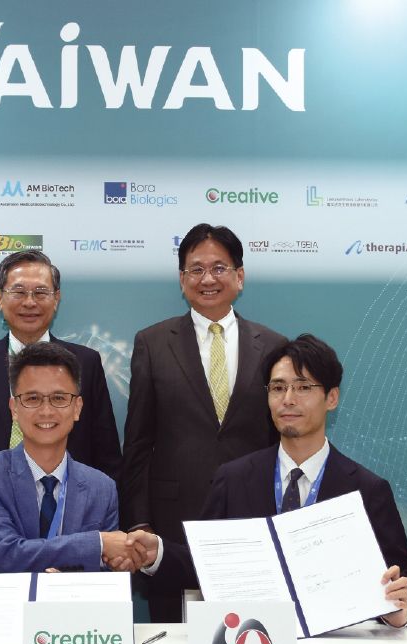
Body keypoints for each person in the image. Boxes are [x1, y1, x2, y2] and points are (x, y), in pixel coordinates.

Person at [117, 334, 407, 627]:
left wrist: (398, 611)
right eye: (278, 388)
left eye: (303, 387)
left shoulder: (367, 489)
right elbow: (204, 565)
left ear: (331, 398)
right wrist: (157, 552)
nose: (288, 399)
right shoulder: (233, 479)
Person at [120, 223, 286, 621]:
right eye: (196, 269)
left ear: (239, 276)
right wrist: (140, 522)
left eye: (219, 268)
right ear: (182, 280)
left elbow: (279, 444)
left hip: (252, 522)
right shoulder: (152, 343)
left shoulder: (274, 346)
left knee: (252, 639)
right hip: (172, 526)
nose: (207, 279)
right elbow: (138, 443)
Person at [0, 250, 121, 574]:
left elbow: (106, 452)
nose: (30, 302)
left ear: (57, 298)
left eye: (40, 292)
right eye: (19, 292)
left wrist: (111, 539)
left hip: (71, 520)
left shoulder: (86, 362)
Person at [0, 342, 143, 573]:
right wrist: (97, 543)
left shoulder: (102, 487)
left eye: (59, 398)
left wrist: (117, 562)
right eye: (32, 399)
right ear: (14, 409)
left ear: (77, 408)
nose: (46, 411)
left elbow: (104, 569)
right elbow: (4, 554)